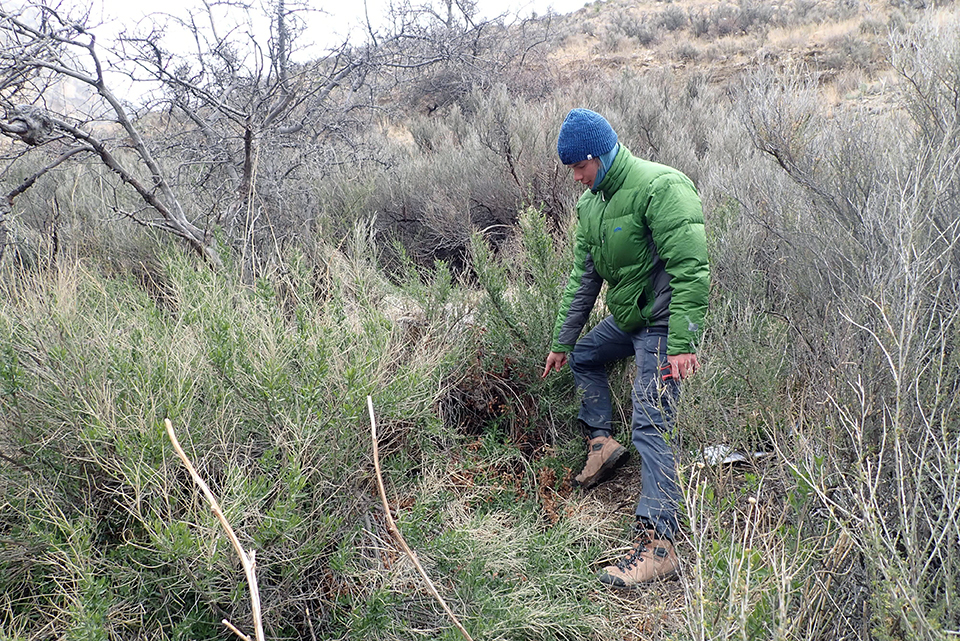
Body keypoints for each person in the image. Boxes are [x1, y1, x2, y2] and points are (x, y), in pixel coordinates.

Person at [541, 108, 710, 587]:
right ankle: (601, 442)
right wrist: (562, 342)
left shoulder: (661, 186)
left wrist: (682, 344)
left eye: (579, 167)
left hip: (661, 325)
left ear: (598, 155)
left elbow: (691, 269)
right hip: (631, 318)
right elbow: (583, 278)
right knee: (586, 357)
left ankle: (662, 543)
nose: (575, 178)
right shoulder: (592, 205)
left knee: (652, 421)